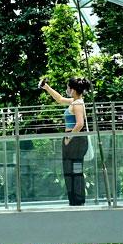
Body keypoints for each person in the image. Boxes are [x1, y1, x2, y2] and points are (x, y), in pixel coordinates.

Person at [39, 77, 91, 206]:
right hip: (74, 138)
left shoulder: (77, 104)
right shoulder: (75, 101)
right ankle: (75, 200)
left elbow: (79, 124)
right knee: (72, 170)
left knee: (74, 170)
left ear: (72, 90)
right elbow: (60, 99)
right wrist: (47, 88)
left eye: (68, 87)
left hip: (74, 139)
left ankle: (77, 200)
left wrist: (68, 138)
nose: (67, 90)